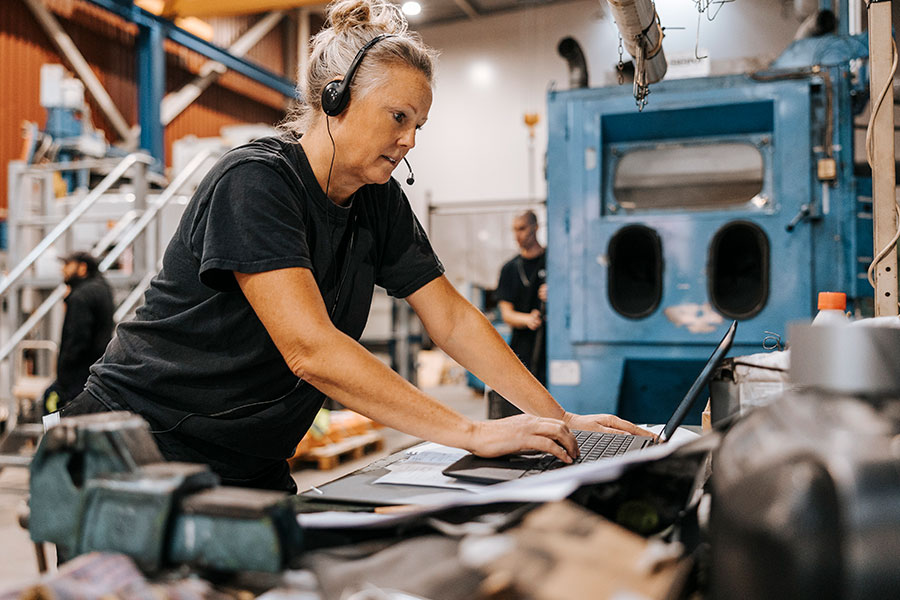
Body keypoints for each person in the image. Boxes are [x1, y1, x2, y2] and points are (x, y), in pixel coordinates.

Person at [58, 0, 647, 493]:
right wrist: (469, 432)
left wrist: (555, 417)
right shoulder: (256, 183)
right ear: (334, 98)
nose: (409, 139)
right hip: (134, 446)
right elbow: (310, 349)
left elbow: (452, 319)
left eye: (419, 124)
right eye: (398, 116)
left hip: (246, 461)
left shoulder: (377, 200)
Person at [42, 251, 114, 413]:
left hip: (77, 376)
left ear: (82, 268)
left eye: (68, 265)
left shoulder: (81, 296)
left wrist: (64, 374)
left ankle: (53, 438)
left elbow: (77, 339)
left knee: (51, 401)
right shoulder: (103, 288)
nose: (63, 270)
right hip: (97, 369)